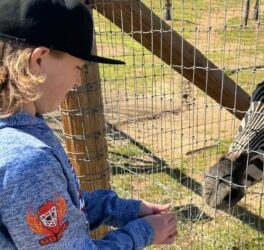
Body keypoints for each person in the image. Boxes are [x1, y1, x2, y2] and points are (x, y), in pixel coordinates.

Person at [0, 0, 177, 249]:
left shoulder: (20, 128)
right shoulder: (27, 161)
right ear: (39, 60)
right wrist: (144, 232)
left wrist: (119, 209)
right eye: (77, 67)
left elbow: (63, 207)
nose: (78, 82)